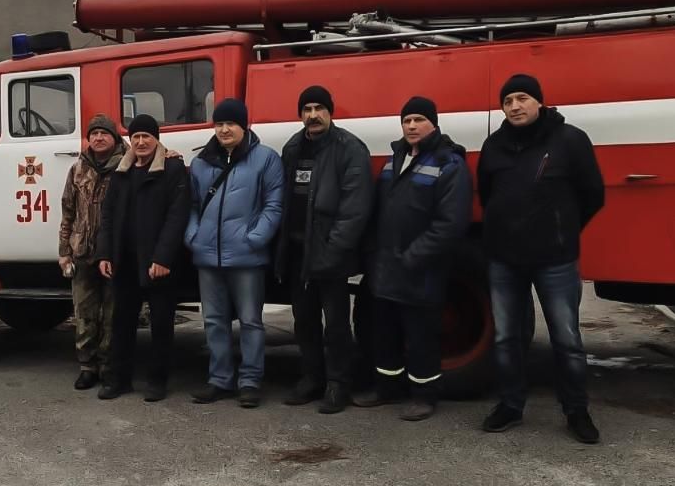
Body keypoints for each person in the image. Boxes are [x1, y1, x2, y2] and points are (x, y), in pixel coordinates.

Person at [477, 73, 606, 444]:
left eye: (521, 98)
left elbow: (592, 193)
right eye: (507, 101)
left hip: (555, 260)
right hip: (504, 261)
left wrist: (563, 228)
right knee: (506, 338)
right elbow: (487, 195)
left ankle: (576, 411)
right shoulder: (494, 145)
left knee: (566, 339)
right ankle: (511, 406)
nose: (514, 106)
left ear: (539, 101)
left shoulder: (570, 140)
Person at [355, 96, 472, 420]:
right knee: (385, 333)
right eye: (406, 120)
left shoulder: (450, 164)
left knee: (422, 338)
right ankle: (386, 389)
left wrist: (413, 256)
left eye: (419, 119)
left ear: (433, 123)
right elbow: (380, 211)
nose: (411, 125)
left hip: (422, 271)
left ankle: (424, 395)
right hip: (387, 267)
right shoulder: (395, 160)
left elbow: (451, 224)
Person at [275, 85, 372, 414]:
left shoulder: (349, 149)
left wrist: (334, 252)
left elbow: (355, 209)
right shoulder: (293, 148)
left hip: (331, 254)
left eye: (319, 108)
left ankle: (338, 384)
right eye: (307, 109)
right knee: (304, 322)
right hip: (298, 253)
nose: (312, 115)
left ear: (330, 112)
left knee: (336, 325)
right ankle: (312, 378)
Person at [185, 98, 285, 408]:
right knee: (214, 321)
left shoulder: (266, 159)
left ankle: (250, 381)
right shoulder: (202, 162)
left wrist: (255, 238)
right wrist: (193, 235)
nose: (224, 129)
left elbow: (274, 204)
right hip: (208, 256)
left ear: (244, 126)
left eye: (230, 123)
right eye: (219, 124)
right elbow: (193, 205)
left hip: (246, 256)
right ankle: (219, 380)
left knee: (251, 320)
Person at [95, 113, 191, 402]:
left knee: (161, 324)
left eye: (146, 136)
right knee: (121, 322)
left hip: (158, 263)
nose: (140, 142)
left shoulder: (173, 170)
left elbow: (178, 217)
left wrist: (163, 258)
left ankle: (157, 381)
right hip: (124, 261)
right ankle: (119, 380)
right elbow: (107, 217)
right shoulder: (121, 173)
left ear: (156, 139)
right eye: (135, 137)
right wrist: (105, 254)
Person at [58, 114, 125, 390]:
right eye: (94, 133)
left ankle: (109, 365)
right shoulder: (77, 169)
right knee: (84, 313)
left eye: (104, 133)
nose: (98, 138)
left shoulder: (128, 166)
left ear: (115, 138)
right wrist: (64, 251)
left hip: (114, 254)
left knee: (112, 314)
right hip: (83, 252)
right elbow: (68, 211)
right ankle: (87, 366)